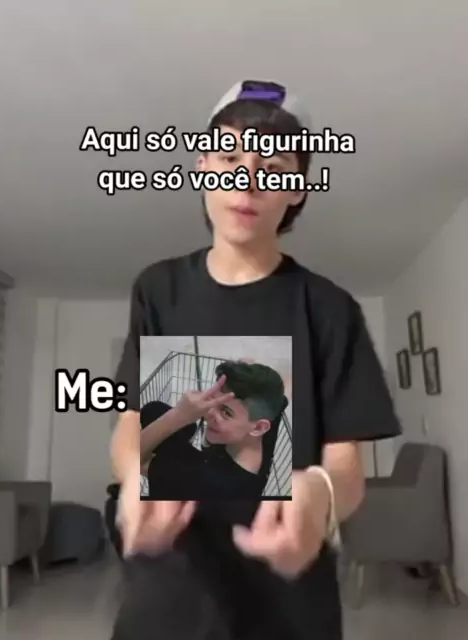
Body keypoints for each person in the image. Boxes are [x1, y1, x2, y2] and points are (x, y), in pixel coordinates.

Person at [111, 79, 401, 640]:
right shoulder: (159, 290)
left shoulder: (330, 310)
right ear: (202, 168)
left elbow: (348, 469)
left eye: (273, 167)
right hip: (169, 594)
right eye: (230, 158)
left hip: (289, 605)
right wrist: (134, 478)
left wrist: (319, 497)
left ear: (297, 190)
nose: (247, 181)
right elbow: (131, 426)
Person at [138, 360, 288, 500]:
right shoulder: (263, 425)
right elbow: (280, 395)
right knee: (154, 411)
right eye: (213, 401)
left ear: (259, 428)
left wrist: (179, 415)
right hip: (214, 465)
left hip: (200, 489)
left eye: (226, 412)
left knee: (154, 415)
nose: (208, 413)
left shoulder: (203, 482)